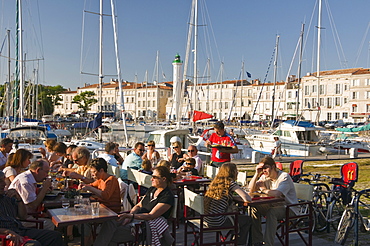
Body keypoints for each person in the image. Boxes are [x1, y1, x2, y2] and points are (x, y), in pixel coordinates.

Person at [93, 166, 175, 246]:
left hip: (143, 227)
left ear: (164, 179)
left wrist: (130, 216)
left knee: (110, 234)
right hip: (135, 219)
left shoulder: (167, 197)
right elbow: (139, 205)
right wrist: (129, 216)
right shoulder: (152, 190)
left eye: (154, 177)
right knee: (109, 222)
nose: (151, 179)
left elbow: (151, 216)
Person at [0, 170, 63, 246]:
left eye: (3, 180)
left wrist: (19, 199)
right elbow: (32, 205)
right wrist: (7, 232)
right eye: (0, 181)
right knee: (34, 244)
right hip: (5, 237)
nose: (4, 184)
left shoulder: (7, 197)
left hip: (20, 230)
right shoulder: (25, 181)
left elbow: (23, 216)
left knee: (55, 236)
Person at [248, 156, 298, 246]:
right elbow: (251, 190)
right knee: (253, 207)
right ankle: (257, 241)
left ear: (273, 167)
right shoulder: (264, 177)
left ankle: (268, 244)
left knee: (272, 212)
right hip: (272, 204)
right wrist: (256, 174)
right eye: (262, 168)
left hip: (288, 207)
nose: (264, 170)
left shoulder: (284, 177)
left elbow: (277, 193)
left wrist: (263, 189)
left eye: (266, 168)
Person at [204, 162, 251, 245]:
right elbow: (247, 198)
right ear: (232, 172)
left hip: (208, 219)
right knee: (247, 220)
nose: (237, 173)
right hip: (219, 221)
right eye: (236, 171)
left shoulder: (216, 182)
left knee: (238, 218)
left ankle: (234, 240)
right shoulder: (230, 183)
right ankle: (239, 243)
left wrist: (234, 198)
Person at [79, 158, 121, 246]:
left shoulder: (111, 180)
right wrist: (84, 186)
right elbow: (91, 185)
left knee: (85, 221)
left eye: (94, 172)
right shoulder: (100, 180)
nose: (93, 174)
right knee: (83, 221)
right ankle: (88, 241)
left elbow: (105, 195)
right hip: (101, 211)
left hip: (110, 213)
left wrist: (90, 188)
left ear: (101, 170)